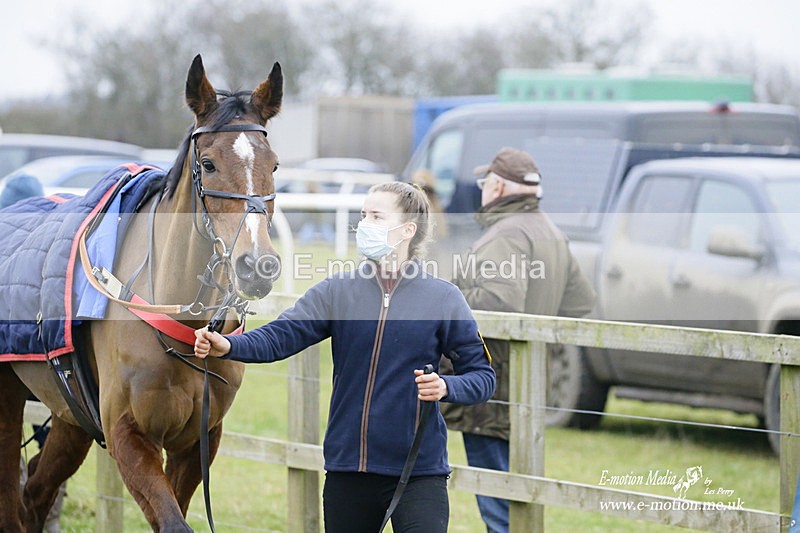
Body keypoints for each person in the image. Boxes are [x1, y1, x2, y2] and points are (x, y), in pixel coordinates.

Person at [195, 181, 496, 533]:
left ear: (407, 230)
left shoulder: (444, 299)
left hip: (419, 474)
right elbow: (282, 336)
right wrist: (230, 346)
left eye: (377, 216)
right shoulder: (337, 292)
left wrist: (446, 386)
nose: (364, 224)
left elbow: (483, 377)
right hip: (347, 470)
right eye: (363, 215)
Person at [440, 147, 595, 533]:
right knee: (518, 495)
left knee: (498, 503)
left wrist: (448, 296)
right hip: (529, 381)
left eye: (484, 182)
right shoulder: (551, 232)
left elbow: (496, 302)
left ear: (496, 185)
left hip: (492, 386)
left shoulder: (506, 233)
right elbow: (580, 302)